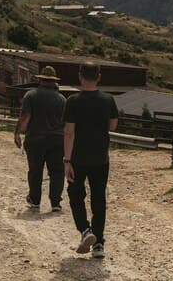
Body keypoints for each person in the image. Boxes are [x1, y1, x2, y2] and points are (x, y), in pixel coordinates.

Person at [64, 61, 119, 259]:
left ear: (80, 76)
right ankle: (99, 245)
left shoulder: (72, 101)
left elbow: (69, 133)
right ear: (99, 77)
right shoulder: (108, 100)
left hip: (78, 157)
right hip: (100, 158)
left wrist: (67, 161)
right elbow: (113, 126)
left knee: (75, 195)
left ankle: (85, 230)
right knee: (98, 199)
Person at [14, 65, 66, 212]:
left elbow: (25, 117)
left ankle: (35, 199)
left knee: (35, 171)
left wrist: (17, 133)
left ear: (41, 79)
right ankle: (55, 202)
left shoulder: (31, 95)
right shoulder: (62, 99)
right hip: (57, 140)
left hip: (35, 139)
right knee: (57, 171)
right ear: (54, 81)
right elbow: (65, 123)